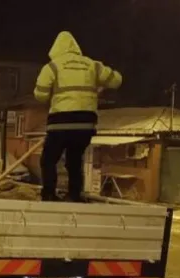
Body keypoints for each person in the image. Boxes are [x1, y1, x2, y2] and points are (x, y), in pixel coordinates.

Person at [34, 31, 122, 202]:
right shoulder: (92, 65)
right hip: (85, 123)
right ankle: (74, 194)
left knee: (49, 160)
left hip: (60, 123)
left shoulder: (52, 67)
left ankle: (49, 194)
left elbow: (40, 95)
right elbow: (116, 80)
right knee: (74, 160)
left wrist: (53, 95)